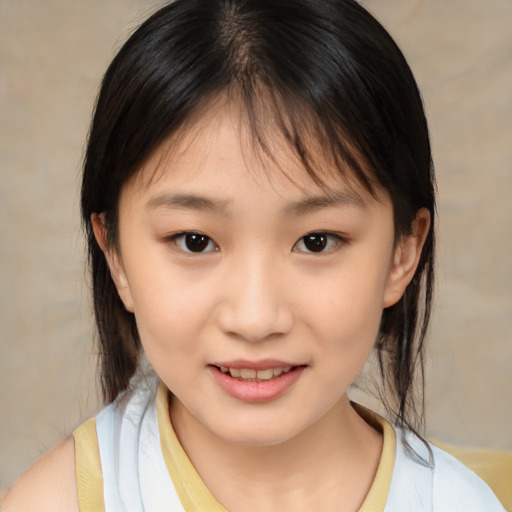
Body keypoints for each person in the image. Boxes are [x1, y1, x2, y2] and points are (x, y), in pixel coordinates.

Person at [3, 0, 506, 510]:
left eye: (317, 241)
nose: (256, 318)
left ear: (404, 251)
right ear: (115, 255)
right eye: (195, 241)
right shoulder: (58, 501)